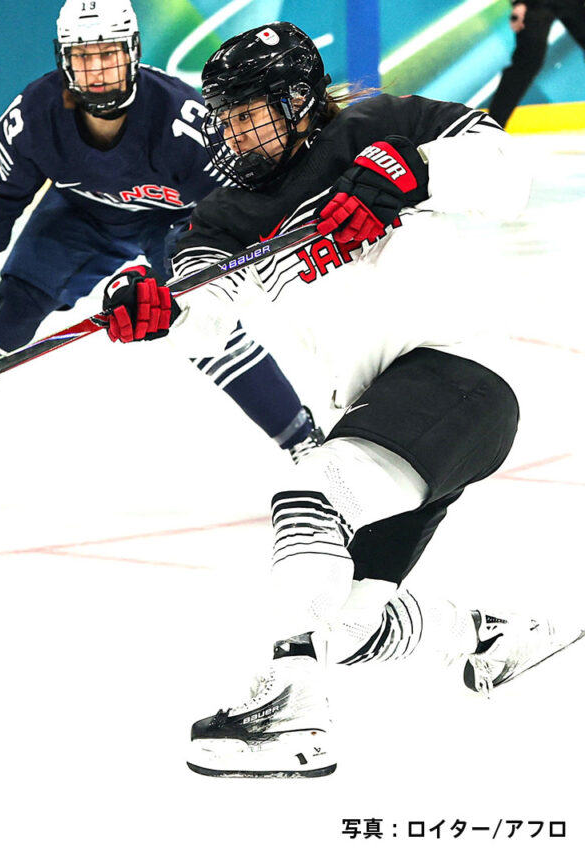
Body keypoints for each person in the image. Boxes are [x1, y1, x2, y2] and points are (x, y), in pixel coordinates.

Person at [99, 21, 583, 777]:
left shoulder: (379, 124)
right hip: (378, 417)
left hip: (459, 376)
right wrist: (150, 305)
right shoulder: (224, 217)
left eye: (247, 110)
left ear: (297, 101)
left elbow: (505, 173)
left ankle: (293, 705)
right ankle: (494, 638)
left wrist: (413, 170)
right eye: (223, 114)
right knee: (349, 622)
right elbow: (205, 305)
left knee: (307, 490)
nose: (230, 129)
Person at [0, 0, 322, 506]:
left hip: (176, 222)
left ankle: (303, 442)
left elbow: (233, 202)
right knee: (6, 315)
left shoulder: (183, 121)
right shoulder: (37, 112)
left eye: (109, 55)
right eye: (85, 58)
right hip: (80, 215)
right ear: (65, 61)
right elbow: (0, 189)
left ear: (133, 52)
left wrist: (205, 272)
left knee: (202, 323)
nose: (99, 72)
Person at [488, 0, 585, 128]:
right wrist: (518, 3)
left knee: (527, 62)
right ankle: (491, 126)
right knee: (527, 61)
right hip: (534, 4)